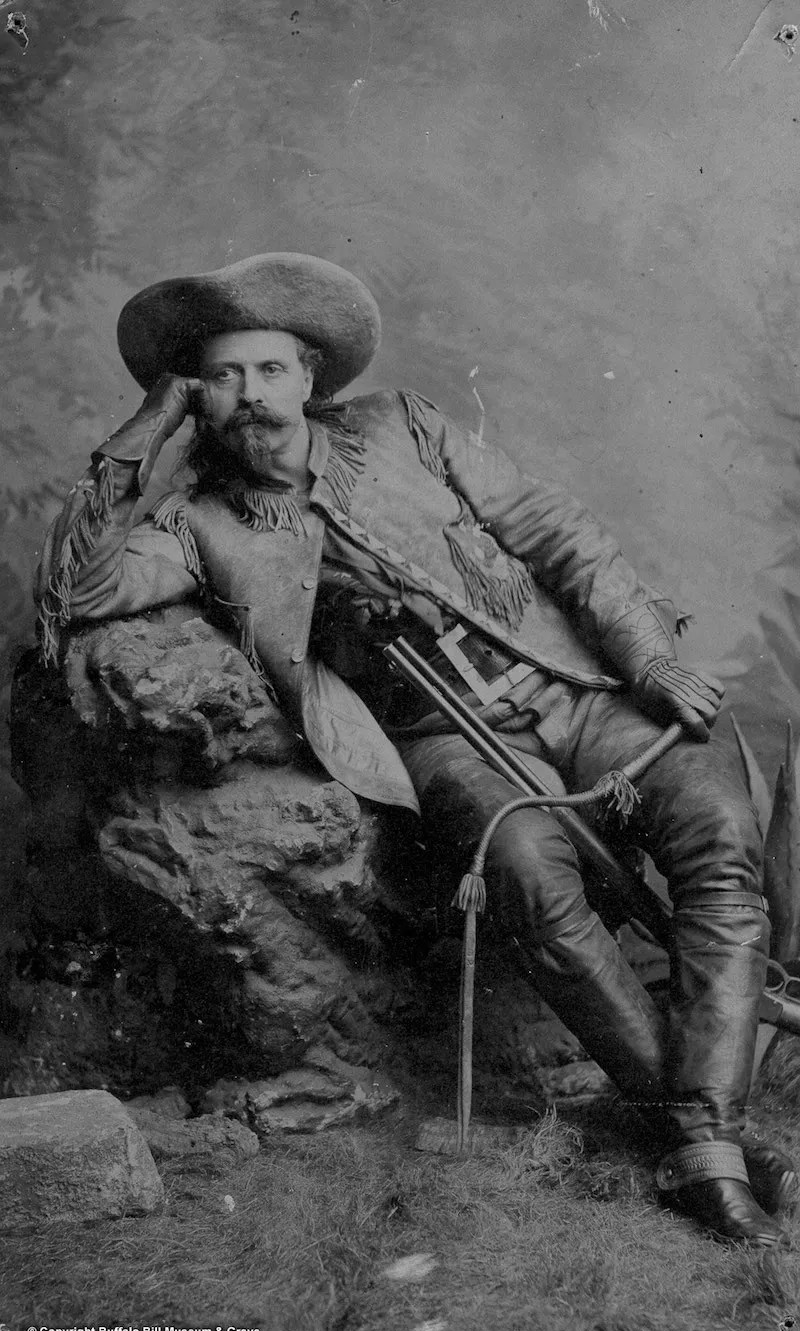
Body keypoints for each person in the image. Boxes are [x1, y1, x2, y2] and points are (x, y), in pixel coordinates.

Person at [36, 252, 795, 1246]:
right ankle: (713, 1138)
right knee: (527, 875)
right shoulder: (196, 525)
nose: (251, 394)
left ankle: (700, 1135)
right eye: (221, 375)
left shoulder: (403, 425)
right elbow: (78, 591)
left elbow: (555, 531)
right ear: (196, 393)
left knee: (718, 835)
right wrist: (149, 423)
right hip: (443, 743)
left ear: (309, 375)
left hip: (581, 689)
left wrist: (646, 660)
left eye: (270, 369)